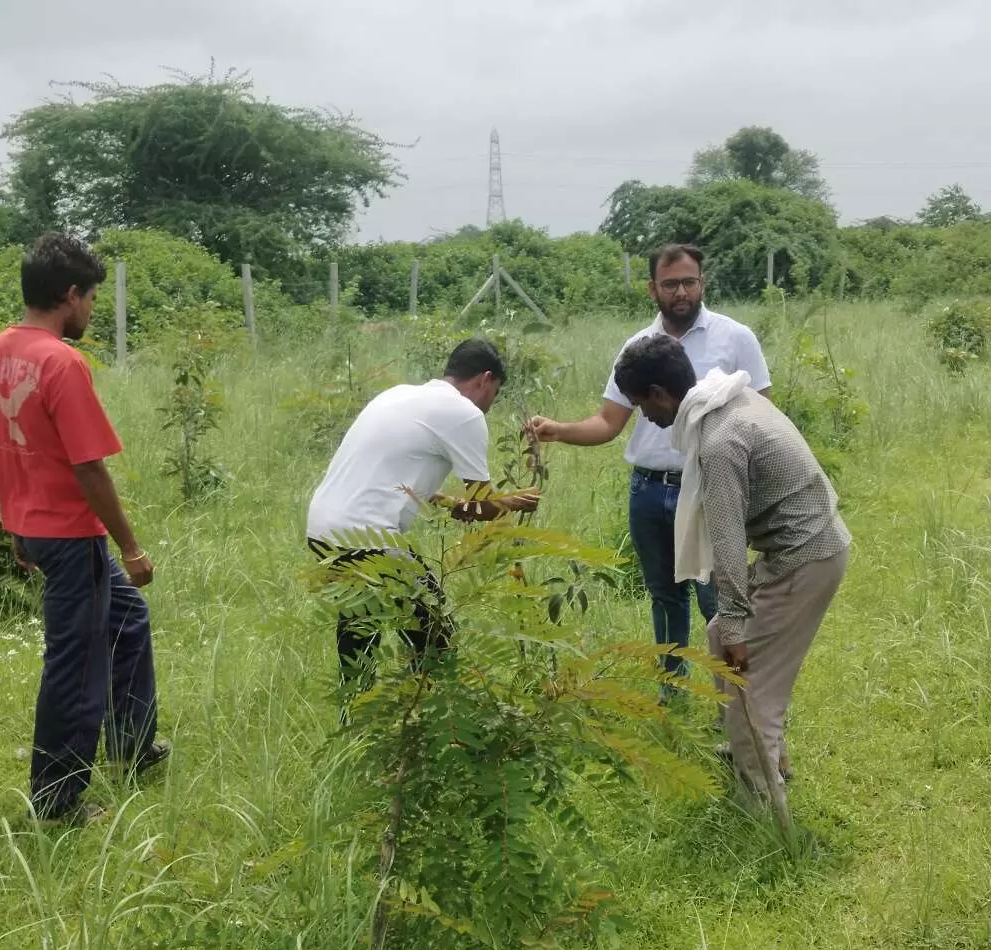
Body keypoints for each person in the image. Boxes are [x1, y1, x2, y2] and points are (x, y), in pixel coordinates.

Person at [0, 233, 170, 826]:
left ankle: (133, 748)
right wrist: (130, 547)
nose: (90, 309)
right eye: (89, 297)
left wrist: (15, 523)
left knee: (127, 623)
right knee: (76, 664)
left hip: (34, 526)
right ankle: (57, 801)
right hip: (68, 535)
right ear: (68, 295)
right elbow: (88, 466)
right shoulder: (61, 361)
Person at [611, 334, 849, 802]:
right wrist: (731, 627)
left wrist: (740, 623)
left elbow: (727, 540)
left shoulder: (719, 442)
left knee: (749, 694)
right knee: (718, 636)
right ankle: (764, 758)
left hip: (804, 557)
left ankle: (767, 811)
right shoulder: (728, 395)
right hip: (811, 545)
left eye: (641, 404)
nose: (645, 416)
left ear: (660, 393)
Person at [525, 244, 771, 684]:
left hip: (708, 487)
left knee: (718, 599)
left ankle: (736, 702)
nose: (681, 292)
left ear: (702, 283)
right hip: (649, 491)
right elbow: (607, 421)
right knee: (664, 597)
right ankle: (670, 690)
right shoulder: (637, 347)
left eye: (689, 282)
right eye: (671, 283)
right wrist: (557, 429)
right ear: (652, 289)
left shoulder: (735, 338)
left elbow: (761, 417)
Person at [306, 338, 539, 683]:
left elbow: (398, 477)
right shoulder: (465, 414)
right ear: (485, 379)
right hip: (368, 535)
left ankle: (355, 715)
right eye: (496, 392)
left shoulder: (397, 394)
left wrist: (450, 503)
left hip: (322, 528)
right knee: (436, 636)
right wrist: (513, 500)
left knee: (360, 633)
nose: (491, 404)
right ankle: (430, 722)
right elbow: (482, 505)